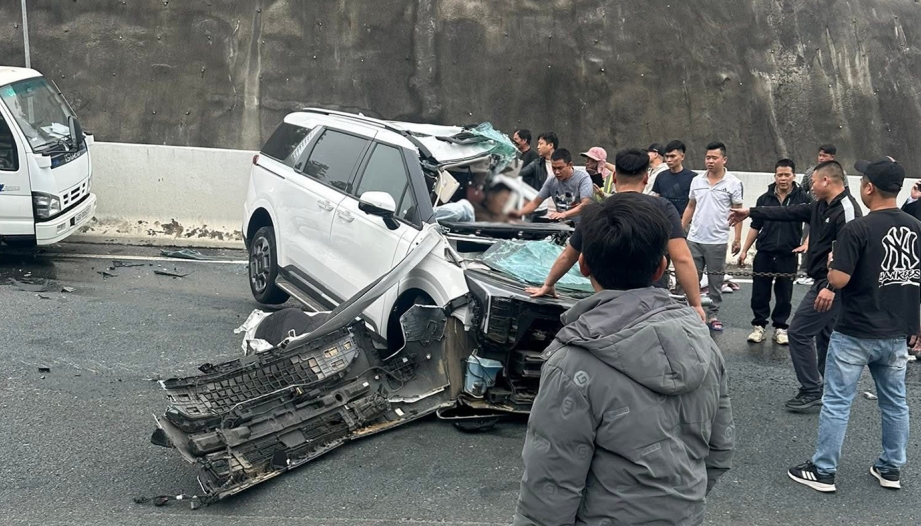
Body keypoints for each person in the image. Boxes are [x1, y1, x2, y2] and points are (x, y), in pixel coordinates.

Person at [513, 192, 734, 526]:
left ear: (584, 264)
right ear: (661, 266)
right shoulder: (701, 341)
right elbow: (719, 450)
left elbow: (550, 485)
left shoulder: (573, 363)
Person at [788, 157, 920, 493]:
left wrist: (833, 264)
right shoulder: (916, 228)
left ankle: (824, 470)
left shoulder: (857, 228)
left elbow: (841, 279)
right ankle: (891, 468)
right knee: (895, 402)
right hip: (897, 331)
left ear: (869, 187)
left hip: (855, 330)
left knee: (837, 401)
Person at [729, 161, 862, 412]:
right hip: (823, 281)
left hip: (831, 284)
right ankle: (825, 386)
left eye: (813, 181)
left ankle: (811, 389)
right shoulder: (821, 205)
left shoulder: (847, 209)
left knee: (799, 332)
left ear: (826, 181)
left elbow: (852, 256)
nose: (810, 186)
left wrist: (831, 289)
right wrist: (750, 212)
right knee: (825, 336)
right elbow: (787, 213)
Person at [525, 149, 707, 323]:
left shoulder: (599, 209)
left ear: (614, 177)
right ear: (645, 178)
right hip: (651, 301)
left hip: (607, 299)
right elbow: (682, 258)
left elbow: (569, 254)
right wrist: (696, 304)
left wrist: (548, 284)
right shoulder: (663, 208)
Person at [738, 159, 811, 345]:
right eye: (780, 175)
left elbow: (813, 223)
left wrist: (806, 243)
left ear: (794, 176)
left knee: (784, 294)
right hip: (764, 252)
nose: (783, 178)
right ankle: (759, 326)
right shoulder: (764, 198)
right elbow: (755, 225)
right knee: (759, 292)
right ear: (775, 176)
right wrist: (744, 250)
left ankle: (780, 327)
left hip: (788, 253)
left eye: (787, 175)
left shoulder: (803, 198)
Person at [681, 141, 744, 332]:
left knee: (715, 281)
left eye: (714, 158)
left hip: (717, 240)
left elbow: (738, 212)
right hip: (695, 238)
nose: (710, 161)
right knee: (691, 278)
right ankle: (691, 313)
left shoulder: (733, 183)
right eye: (708, 157)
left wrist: (737, 238)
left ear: (724, 159)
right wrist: (679, 230)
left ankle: (713, 314)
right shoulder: (697, 181)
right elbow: (691, 206)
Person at [797, 144, 841, 286]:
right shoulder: (811, 172)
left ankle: (822, 272)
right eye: (820, 155)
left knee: (825, 243)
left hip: (829, 214)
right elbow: (802, 191)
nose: (821, 158)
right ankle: (805, 271)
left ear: (832, 157)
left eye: (825, 156)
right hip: (813, 212)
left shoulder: (839, 174)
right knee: (807, 240)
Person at [512, 149, 593, 223]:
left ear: (570, 165)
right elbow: (535, 203)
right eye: (554, 168)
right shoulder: (552, 180)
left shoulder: (583, 178)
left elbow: (585, 205)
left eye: (560, 168)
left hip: (583, 225)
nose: (557, 172)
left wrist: (564, 214)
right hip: (563, 226)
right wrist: (518, 213)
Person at [652, 140, 697, 217]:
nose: (669, 160)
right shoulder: (661, 176)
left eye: (672, 156)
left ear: (682, 156)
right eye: (667, 156)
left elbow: (694, 203)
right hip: (664, 220)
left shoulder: (693, 178)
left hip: (685, 221)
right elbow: (657, 199)